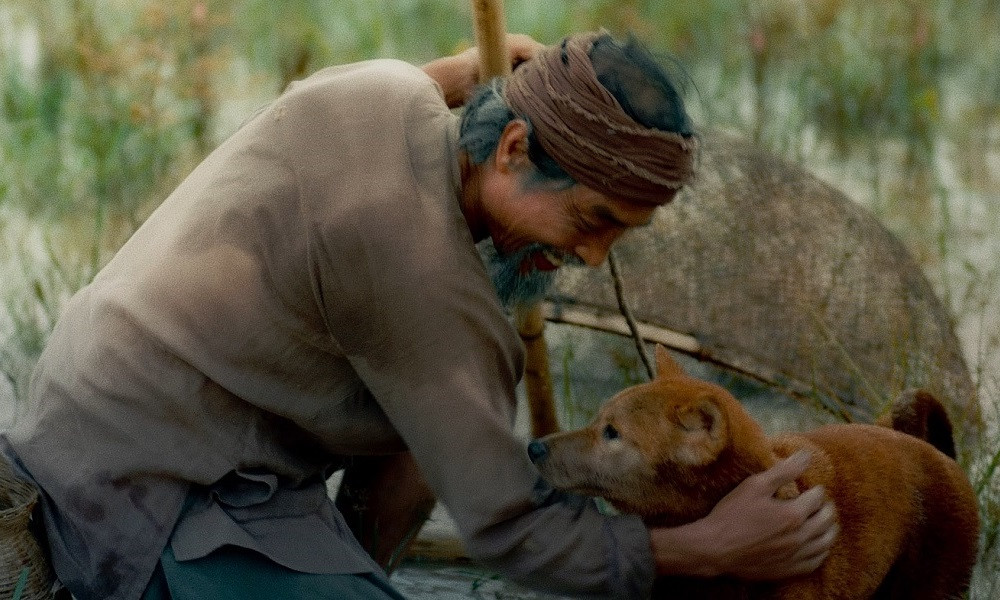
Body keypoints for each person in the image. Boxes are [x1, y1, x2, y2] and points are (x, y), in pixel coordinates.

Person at [1, 31, 837, 600]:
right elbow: (513, 530)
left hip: (86, 400)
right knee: (452, 434)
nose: (592, 258)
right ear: (511, 150)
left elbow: (440, 86)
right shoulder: (433, 296)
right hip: (144, 495)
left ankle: (343, 568)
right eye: (590, 221)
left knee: (423, 442)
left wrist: (476, 75)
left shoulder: (385, 89)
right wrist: (707, 547)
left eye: (624, 231)